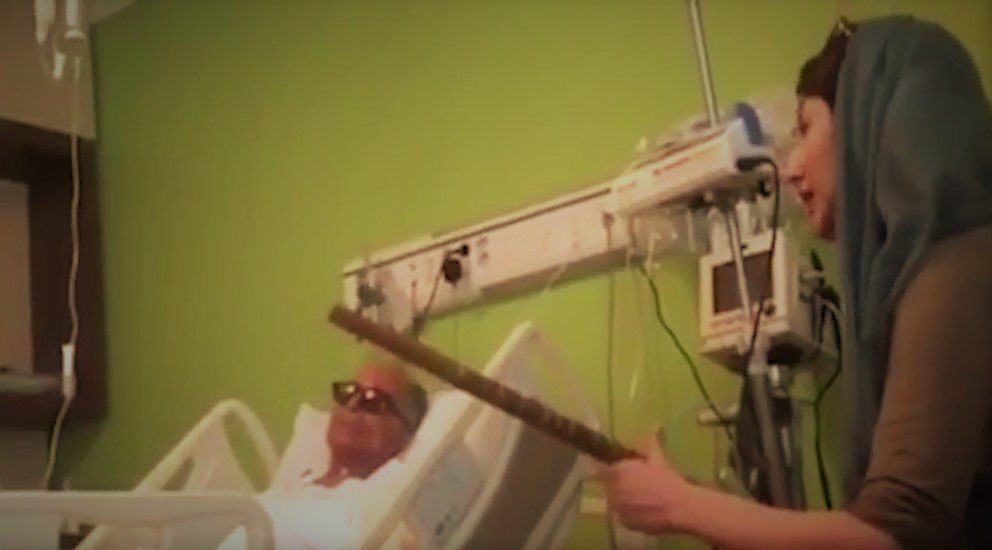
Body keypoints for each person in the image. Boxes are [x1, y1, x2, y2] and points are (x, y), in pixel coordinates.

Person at [598, 15, 992, 550]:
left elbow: (892, 537)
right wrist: (695, 501)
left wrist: (677, 506)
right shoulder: (918, 275)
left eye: (806, 129)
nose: (790, 169)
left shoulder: (960, 259)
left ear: (868, 123)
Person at [220, 359, 429, 550]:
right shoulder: (290, 489)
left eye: (374, 401)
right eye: (348, 393)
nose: (352, 406)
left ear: (407, 431)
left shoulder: (384, 501)